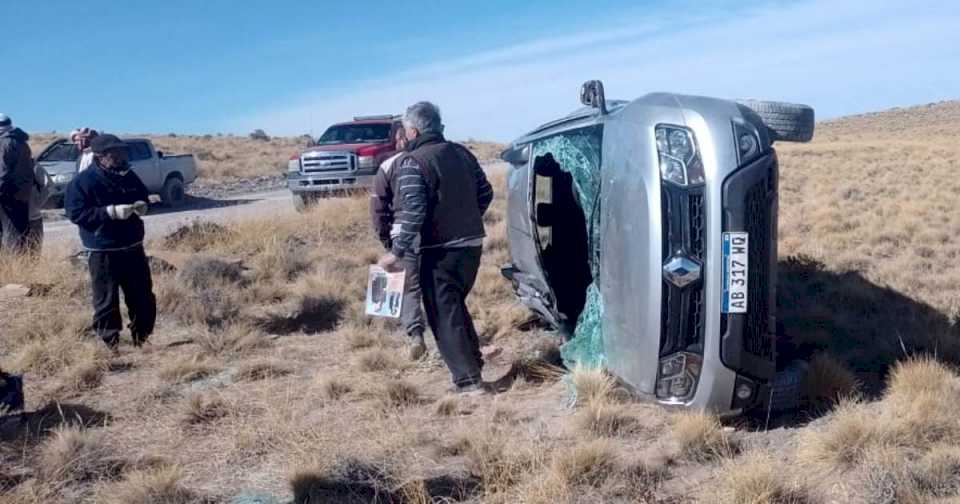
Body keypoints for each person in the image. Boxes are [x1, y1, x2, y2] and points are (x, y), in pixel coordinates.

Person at [378, 102, 494, 393]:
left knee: (443, 314)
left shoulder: (412, 162)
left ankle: (469, 382)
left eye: (405, 130)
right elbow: (486, 192)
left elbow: (412, 212)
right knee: (454, 307)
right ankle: (474, 365)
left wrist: (396, 252)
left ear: (413, 130)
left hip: (439, 249)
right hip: (472, 246)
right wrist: (466, 219)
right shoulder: (462, 153)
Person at [65, 134, 155, 350]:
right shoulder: (82, 182)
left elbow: (143, 194)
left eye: (122, 152)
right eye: (115, 153)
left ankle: (142, 338)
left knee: (142, 296)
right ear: (100, 156)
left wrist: (143, 205)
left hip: (133, 246)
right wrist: (109, 212)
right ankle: (110, 344)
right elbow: (76, 213)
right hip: (102, 249)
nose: (121, 156)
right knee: (106, 301)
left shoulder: (128, 175)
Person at [370, 127, 428, 360]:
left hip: (403, 234)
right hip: (438, 235)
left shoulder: (388, 166)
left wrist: (387, 241)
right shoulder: (430, 158)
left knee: (408, 287)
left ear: (403, 138)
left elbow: (378, 208)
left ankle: (416, 334)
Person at [0, 114, 35, 253]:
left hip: (7, 196)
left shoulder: (4, 143)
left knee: (9, 236)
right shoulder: (22, 142)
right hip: (22, 195)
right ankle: (22, 267)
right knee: (20, 234)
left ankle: (12, 269)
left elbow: (2, 174)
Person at [27, 161, 51, 253]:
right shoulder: (4, 165)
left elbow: (48, 186)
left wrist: (37, 204)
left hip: (32, 219)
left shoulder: (33, 166)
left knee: (33, 254)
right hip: (8, 221)